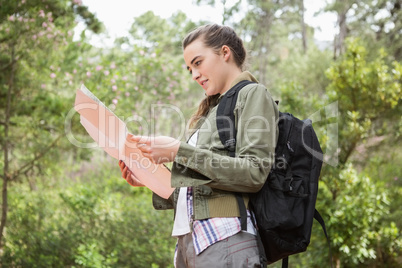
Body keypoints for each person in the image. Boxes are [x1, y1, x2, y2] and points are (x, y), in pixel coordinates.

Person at [119, 24, 279, 267]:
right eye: (189, 69)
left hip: (225, 238)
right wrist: (149, 179)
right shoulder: (209, 115)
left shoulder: (252, 94)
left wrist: (177, 151)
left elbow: (254, 173)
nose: (194, 74)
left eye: (198, 63)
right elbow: (201, 192)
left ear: (224, 53)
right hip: (190, 242)